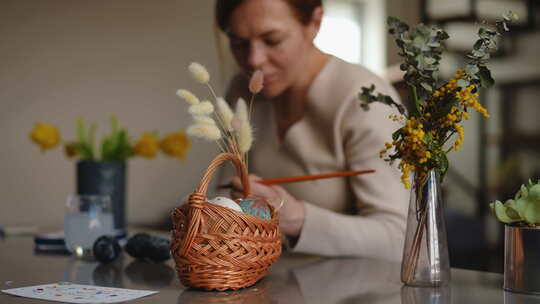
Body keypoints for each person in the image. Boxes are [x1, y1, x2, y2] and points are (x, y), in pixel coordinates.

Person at [215, 0, 409, 261]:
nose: (253, 60)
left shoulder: (363, 99)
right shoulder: (244, 90)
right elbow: (224, 199)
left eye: (272, 40)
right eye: (238, 44)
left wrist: (297, 219)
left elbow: (399, 239)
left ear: (315, 23)